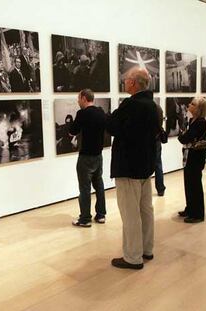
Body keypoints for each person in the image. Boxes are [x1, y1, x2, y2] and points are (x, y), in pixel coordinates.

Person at [106, 66, 159, 270]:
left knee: (130, 213)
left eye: (126, 79)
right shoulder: (151, 105)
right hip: (145, 165)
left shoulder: (131, 105)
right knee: (146, 210)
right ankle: (146, 249)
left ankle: (132, 257)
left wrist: (111, 117)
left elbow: (112, 126)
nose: (124, 81)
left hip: (128, 166)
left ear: (134, 83)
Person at [69, 89, 107, 227]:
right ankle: (101, 215)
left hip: (85, 157)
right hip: (98, 155)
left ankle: (85, 219)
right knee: (99, 185)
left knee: (85, 188)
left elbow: (72, 131)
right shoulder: (100, 112)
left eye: (78, 99)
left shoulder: (82, 114)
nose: (78, 101)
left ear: (84, 98)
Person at [177, 97, 206, 223]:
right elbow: (185, 137)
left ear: (199, 108)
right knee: (188, 183)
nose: (189, 105)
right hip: (189, 155)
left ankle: (198, 213)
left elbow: (185, 138)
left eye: (193, 104)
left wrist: (183, 136)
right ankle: (190, 208)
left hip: (196, 157)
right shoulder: (192, 120)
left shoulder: (200, 122)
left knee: (195, 184)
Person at [155, 102, 166, 196]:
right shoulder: (158, 108)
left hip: (149, 140)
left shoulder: (148, 108)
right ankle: (160, 188)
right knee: (158, 165)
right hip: (157, 139)